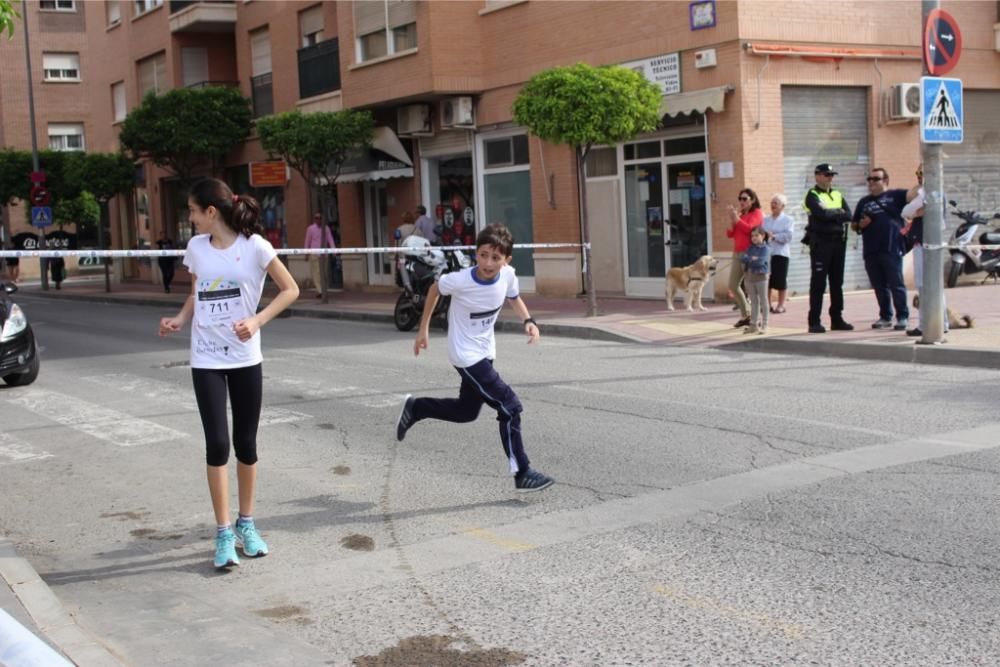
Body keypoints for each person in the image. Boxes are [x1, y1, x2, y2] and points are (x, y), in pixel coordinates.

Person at [158, 178, 300, 569]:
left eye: (191, 211)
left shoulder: (255, 247)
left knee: (246, 444)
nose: (189, 219)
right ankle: (222, 532)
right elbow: (196, 292)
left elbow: (290, 289)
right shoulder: (195, 249)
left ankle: (247, 524)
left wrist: (257, 321)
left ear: (211, 212)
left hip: (244, 357)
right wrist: (179, 320)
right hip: (205, 358)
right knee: (217, 444)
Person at [394, 222, 554, 493]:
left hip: (484, 352)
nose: (488, 263)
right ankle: (522, 472)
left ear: (506, 260)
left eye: (495, 257)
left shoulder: (508, 275)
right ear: (475, 253)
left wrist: (528, 320)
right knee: (510, 407)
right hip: (466, 355)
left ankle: (416, 408)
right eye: (483, 255)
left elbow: (514, 296)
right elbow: (435, 289)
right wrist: (423, 329)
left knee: (466, 412)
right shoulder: (462, 279)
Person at [852, 167, 910, 331]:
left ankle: (902, 316)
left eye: (875, 179)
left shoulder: (895, 196)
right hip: (871, 250)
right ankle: (885, 316)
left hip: (891, 248)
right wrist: (860, 225)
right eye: (869, 179)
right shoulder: (863, 202)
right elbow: (854, 225)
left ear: (885, 181)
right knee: (879, 286)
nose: (871, 182)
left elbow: (914, 197)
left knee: (896, 284)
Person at [803, 163, 855, 334]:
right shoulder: (812, 195)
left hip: (838, 242)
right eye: (827, 175)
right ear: (817, 176)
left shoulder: (837, 193)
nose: (830, 178)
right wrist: (837, 213)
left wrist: (833, 213)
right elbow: (821, 215)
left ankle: (837, 318)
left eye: (832, 175)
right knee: (818, 283)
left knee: (837, 282)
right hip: (821, 243)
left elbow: (849, 214)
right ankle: (814, 321)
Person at [901, 164, 948, 337]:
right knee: (934, 287)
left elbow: (905, 211)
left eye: (922, 174)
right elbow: (909, 212)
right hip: (928, 244)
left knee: (925, 286)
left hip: (926, 245)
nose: (919, 177)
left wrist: (916, 212)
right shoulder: (937, 193)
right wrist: (915, 213)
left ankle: (925, 325)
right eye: (918, 174)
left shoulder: (927, 194)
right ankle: (941, 323)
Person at [725, 188, 764, 328]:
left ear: (752, 200)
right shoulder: (740, 215)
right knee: (733, 286)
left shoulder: (757, 213)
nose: (741, 201)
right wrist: (732, 220)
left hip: (750, 254)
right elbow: (730, 234)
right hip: (737, 253)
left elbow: (750, 230)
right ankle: (746, 314)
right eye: (740, 198)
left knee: (751, 287)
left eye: (744, 198)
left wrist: (736, 219)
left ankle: (755, 318)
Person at [761, 193, 793, 314]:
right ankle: (767, 304)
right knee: (767, 280)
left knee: (780, 280)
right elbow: (762, 234)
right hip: (767, 253)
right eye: (772, 202)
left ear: (782, 206)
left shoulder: (788, 220)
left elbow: (788, 236)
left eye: (776, 203)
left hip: (781, 253)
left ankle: (781, 305)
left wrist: (774, 236)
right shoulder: (766, 220)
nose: (773, 205)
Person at [741, 227, 771, 334]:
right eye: (752, 236)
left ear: (763, 236)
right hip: (749, 277)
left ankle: (765, 324)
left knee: (763, 300)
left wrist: (751, 259)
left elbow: (760, 262)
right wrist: (752, 258)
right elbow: (743, 258)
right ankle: (753, 325)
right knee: (753, 301)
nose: (754, 238)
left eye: (756, 235)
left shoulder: (766, 248)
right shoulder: (750, 248)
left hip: (761, 277)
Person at [305, 213, 335, 298]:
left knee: (324, 273)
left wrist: (334, 251)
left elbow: (330, 239)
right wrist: (306, 253)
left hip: (324, 254)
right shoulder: (310, 229)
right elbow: (307, 241)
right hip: (314, 254)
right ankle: (320, 290)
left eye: (320, 218)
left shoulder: (326, 228)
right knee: (316, 273)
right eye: (316, 218)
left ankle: (322, 289)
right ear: (314, 219)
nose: (318, 220)